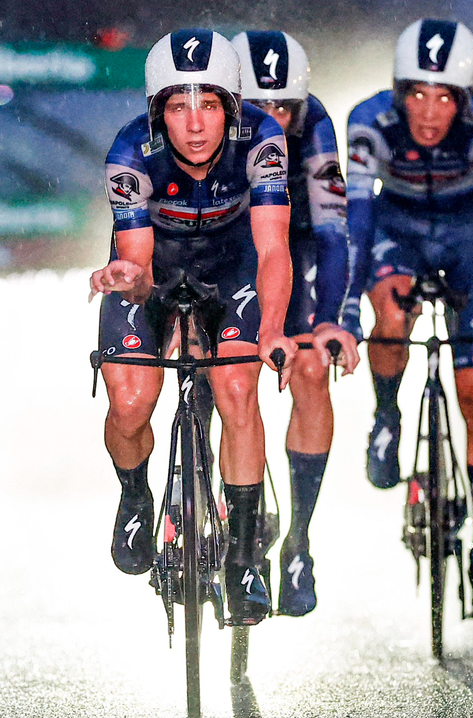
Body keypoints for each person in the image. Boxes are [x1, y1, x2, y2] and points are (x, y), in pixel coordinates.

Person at [89, 28, 298, 626]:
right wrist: (123, 279)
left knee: (236, 389)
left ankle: (242, 558)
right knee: (130, 404)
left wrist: (275, 330)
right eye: (178, 106)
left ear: (232, 106)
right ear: (158, 113)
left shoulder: (263, 139)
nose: (196, 123)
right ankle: (135, 496)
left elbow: (274, 249)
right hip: (153, 268)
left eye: (209, 104)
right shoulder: (130, 150)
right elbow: (138, 262)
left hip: (233, 265)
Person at [343, 19, 473, 617]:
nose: (429, 111)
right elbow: (356, 219)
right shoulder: (368, 120)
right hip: (395, 228)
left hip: (469, 238)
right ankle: (385, 414)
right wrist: (350, 301)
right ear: (398, 92)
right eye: (417, 94)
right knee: (390, 309)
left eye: (445, 96)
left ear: (467, 98)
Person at [230, 30, 359, 616]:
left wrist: (330, 319)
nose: (274, 119)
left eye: (285, 107)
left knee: (308, 369)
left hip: (297, 243)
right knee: (220, 371)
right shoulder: (206, 118)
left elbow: (334, 234)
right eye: (259, 106)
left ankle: (299, 541)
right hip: (227, 244)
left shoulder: (319, 127)